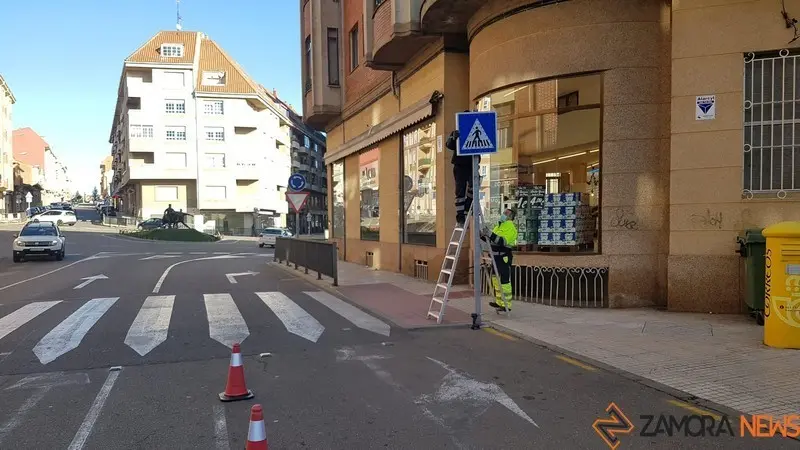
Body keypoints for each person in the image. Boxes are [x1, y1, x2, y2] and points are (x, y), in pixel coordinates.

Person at [481, 208, 518, 311]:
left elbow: (501, 241)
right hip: (495, 257)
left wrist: (490, 234)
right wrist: (483, 235)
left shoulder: (510, 228)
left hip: (503, 257)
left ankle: (507, 305)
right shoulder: (499, 226)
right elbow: (492, 240)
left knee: (504, 281)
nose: (503, 214)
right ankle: (499, 302)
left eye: (506, 213)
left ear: (510, 217)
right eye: (504, 212)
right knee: (495, 279)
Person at [446, 129, 481, 226]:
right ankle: (460, 216)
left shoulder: (476, 129)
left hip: (472, 164)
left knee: (474, 187)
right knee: (460, 191)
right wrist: (454, 138)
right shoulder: (457, 132)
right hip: (460, 165)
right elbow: (449, 145)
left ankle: (468, 206)